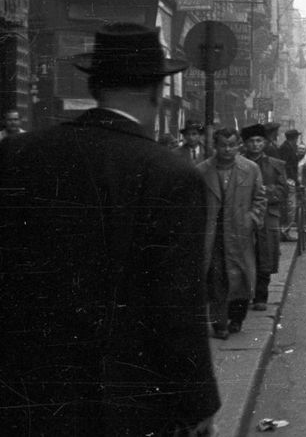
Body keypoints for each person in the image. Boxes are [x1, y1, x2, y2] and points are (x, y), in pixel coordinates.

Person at [0, 22, 219, 435]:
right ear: (157, 93)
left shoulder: (16, 154)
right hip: (123, 403)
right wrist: (196, 403)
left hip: (24, 396)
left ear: (95, 86)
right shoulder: (170, 176)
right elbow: (176, 305)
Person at [198, 127, 266, 336]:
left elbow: (260, 199)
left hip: (240, 233)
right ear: (215, 146)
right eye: (222, 145)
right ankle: (219, 323)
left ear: (239, 146)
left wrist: (251, 219)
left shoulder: (251, 169)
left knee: (241, 277)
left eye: (231, 145)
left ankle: (237, 318)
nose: (227, 149)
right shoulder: (202, 171)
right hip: (214, 235)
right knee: (216, 277)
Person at [241, 123, 287, 310]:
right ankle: (244, 295)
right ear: (245, 144)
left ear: (265, 142)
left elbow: (283, 190)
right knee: (243, 254)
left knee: (265, 255)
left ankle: (261, 296)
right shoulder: (238, 164)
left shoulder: (276, 165)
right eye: (251, 141)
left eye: (259, 141)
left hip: (268, 215)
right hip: (244, 214)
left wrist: (264, 192)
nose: (255, 145)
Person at [278, 128, 304, 240]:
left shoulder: (288, 147)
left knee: (291, 207)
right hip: (289, 181)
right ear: (294, 138)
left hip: (289, 180)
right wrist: (296, 182)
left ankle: (285, 230)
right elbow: (288, 167)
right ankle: (284, 231)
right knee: (290, 207)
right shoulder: (286, 148)